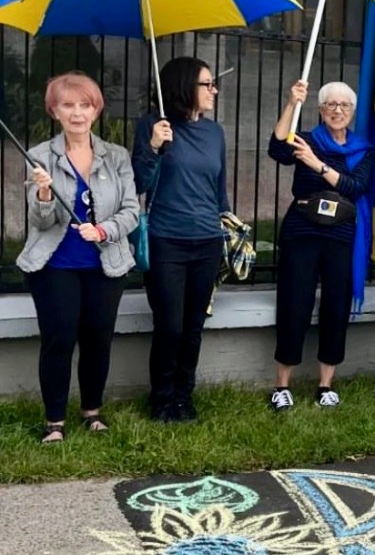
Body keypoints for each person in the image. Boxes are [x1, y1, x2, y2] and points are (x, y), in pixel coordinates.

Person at [17, 72, 139, 443]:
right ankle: (55, 420)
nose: (77, 113)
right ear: (54, 110)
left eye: (85, 105)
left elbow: (132, 210)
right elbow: (41, 221)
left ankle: (92, 411)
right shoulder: (39, 157)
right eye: (68, 105)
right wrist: (42, 195)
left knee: (97, 338)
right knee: (59, 339)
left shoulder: (116, 156)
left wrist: (103, 231)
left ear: (95, 110)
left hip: (105, 263)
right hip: (56, 267)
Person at [267, 79, 374, 410]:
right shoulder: (306, 139)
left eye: (344, 106)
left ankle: (325, 384)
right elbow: (277, 148)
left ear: (352, 112)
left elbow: (356, 188)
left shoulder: (362, 149)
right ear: (321, 109)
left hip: (339, 236)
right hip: (302, 231)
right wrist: (290, 103)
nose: (337, 111)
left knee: (335, 307)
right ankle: (282, 385)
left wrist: (318, 165)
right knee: (294, 304)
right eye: (331, 105)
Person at [133, 57, 229, 423]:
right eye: (207, 84)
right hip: (166, 240)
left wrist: (227, 226)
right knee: (169, 324)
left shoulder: (215, 132)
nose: (213, 90)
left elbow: (219, 192)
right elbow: (139, 183)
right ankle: (161, 398)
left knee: (193, 326)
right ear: (185, 86)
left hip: (207, 240)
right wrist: (154, 147)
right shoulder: (153, 126)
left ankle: (184, 398)